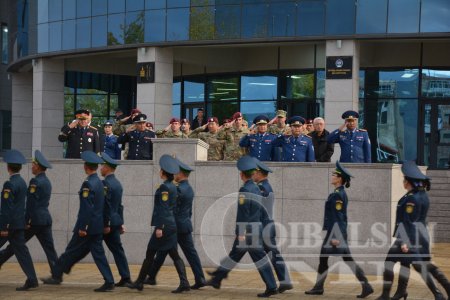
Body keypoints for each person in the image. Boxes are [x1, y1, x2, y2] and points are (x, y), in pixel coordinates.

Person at [42, 151, 115, 292]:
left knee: (70, 251)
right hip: (97, 226)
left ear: (86, 167)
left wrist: (84, 227)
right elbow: (106, 206)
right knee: (97, 255)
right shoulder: (101, 183)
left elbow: (86, 209)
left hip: (87, 227)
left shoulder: (88, 184)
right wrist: (106, 224)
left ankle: (57, 275)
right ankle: (109, 280)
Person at [206, 156, 278, 298]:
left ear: (242, 174)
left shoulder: (245, 189)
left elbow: (244, 213)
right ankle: (217, 278)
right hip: (255, 227)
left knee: (259, 258)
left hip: (247, 231)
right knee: (235, 254)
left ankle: (272, 286)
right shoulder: (257, 188)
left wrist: (241, 232)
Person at [375, 161, 446, 300]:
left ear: (409, 182)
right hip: (417, 235)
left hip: (408, 237)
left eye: (404, 179)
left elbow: (408, 221)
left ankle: (386, 294)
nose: (403, 182)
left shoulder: (412, 198)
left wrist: (404, 242)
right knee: (408, 263)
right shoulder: (420, 194)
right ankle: (402, 291)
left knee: (392, 262)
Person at [305, 161, 373, 298]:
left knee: (342, 259)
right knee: (329, 258)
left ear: (340, 178)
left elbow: (338, 218)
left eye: (334, 175)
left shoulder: (338, 195)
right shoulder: (338, 193)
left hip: (335, 234)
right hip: (335, 232)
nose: (332, 176)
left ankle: (366, 285)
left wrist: (336, 237)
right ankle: (319, 287)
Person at [127, 155, 190, 293]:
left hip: (164, 226)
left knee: (150, 253)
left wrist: (160, 227)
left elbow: (163, 207)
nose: (159, 172)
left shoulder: (164, 188)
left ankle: (139, 282)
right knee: (174, 254)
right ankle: (184, 283)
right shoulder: (173, 186)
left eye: (160, 170)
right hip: (171, 225)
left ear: (163, 173)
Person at [145, 158, 206, 289]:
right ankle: (151, 276)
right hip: (185, 225)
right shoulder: (189, 188)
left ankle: (154, 277)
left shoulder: (177, 189)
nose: (174, 174)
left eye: (176, 172)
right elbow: (188, 211)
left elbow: (170, 208)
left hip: (174, 226)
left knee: (167, 250)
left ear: (180, 173)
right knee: (179, 252)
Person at [0, 150, 58, 280]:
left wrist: (26, 221)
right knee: (49, 249)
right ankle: (57, 274)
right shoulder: (47, 181)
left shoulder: (34, 182)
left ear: (37, 166)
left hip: (34, 221)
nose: (32, 166)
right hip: (45, 219)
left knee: (16, 245)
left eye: (33, 164)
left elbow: (31, 204)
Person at [252, 158, 293, 293]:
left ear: (260, 173)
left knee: (268, 255)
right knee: (273, 254)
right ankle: (284, 281)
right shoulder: (266, 186)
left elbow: (258, 208)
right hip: (267, 225)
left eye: (255, 172)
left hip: (264, 226)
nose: (253, 175)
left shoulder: (262, 188)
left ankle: (275, 284)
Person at [0, 149, 39, 291]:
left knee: (22, 252)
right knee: (23, 253)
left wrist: (3, 227)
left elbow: (6, 208)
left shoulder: (9, 184)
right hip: (19, 224)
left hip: (9, 225)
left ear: (8, 167)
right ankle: (32, 279)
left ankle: (32, 279)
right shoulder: (22, 182)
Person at [100, 153, 131, 287]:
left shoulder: (105, 183)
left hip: (106, 223)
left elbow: (105, 205)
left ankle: (109, 280)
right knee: (118, 250)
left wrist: (106, 223)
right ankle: (126, 277)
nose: (100, 168)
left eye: (102, 166)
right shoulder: (117, 183)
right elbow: (120, 205)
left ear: (107, 167)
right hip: (116, 221)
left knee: (89, 249)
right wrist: (121, 222)